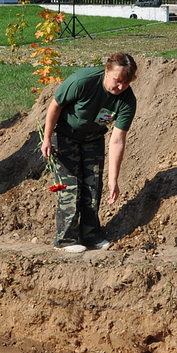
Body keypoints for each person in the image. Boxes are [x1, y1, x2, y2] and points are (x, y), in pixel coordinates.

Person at [40, 52, 138, 252]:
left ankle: (91, 236)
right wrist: (47, 138)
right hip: (65, 134)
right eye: (117, 81)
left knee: (93, 187)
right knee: (70, 186)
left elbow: (118, 139)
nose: (121, 87)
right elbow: (55, 106)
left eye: (126, 83)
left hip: (93, 138)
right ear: (106, 71)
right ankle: (66, 239)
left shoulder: (127, 100)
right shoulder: (82, 81)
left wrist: (113, 179)